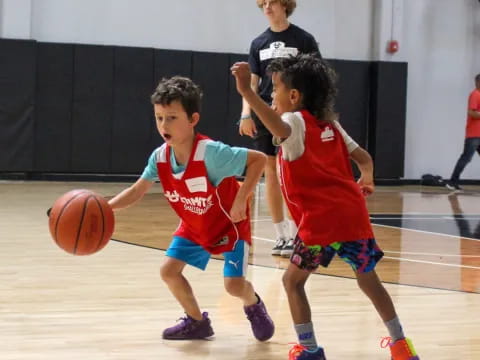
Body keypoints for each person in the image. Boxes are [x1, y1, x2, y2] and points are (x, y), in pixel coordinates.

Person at [232, 54, 419, 360]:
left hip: (321, 224)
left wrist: (248, 94)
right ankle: (402, 347)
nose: (271, 95)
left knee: (292, 282)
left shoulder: (293, 120)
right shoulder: (329, 123)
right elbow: (364, 158)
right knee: (369, 280)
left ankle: (309, 351)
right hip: (353, 217)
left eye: (274, 89)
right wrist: (367, 177)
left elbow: (276, 123)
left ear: (294, 96)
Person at [108, 76, 274, 342]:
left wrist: (242, 197)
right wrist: (106, 208)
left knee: (233, 286)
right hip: (194, 225)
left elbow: (259, 160)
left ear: (193, 119)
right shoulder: (160, 156)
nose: (164, 125)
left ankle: (253, 303)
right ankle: (197, 322)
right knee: (168, 271)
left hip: (227, 225)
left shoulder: (212, 154)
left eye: (172, 118)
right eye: (159, 117)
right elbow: (137, 189)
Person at [239, 0, 321, 257]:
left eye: (271, 2)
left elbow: (317, 78)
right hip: (267, 114)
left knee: (296, 172)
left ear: (285, 4)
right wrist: (245, 114)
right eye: (262, 3)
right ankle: (281, 235)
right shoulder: (258, 43)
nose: (266, 7)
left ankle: (301, 232)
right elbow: (251, 85)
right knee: (270, 172)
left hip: (296, 116)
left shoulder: (304, 39)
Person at [446, 74, 480, 191]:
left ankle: (453, 182)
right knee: (466, 158)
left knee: (465, 158)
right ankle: (452, 182)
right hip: (474, 135)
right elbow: (471, 112)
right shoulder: (475, 94)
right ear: (477, 82)